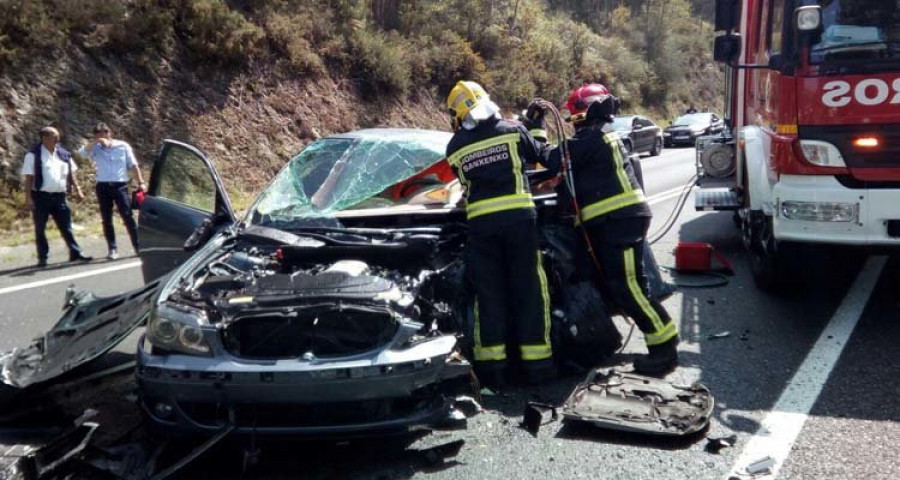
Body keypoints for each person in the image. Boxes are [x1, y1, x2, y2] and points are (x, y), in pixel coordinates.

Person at [530, 84, 679, 374]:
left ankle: (664, 349)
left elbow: (551, 159)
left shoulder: (591, 140)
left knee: (630, 287)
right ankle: (655, 341)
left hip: (617, 224)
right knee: (622, 285)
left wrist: (534, 128)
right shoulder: (600, 137)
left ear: (581, 115)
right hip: (618, 223)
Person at [444, 80, 554, 387]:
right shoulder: (512, 130)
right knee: (529, 290)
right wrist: (535, 125)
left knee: (488, 295)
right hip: (520, 223)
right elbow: (540, 156)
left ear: (457, 113)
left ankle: (493, 370)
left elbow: (465, 182)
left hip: (482, 229)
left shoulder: (454, 148)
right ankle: (539, 366)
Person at [22, 126, 92, 267]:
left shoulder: (63, 154)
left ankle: (75, 253)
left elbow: (71, 173)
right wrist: (28, 198)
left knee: (66, 226)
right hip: (41, 197)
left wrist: (78, 189)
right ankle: (43, 257)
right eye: (54, 136)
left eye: (57, 136)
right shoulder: (33, 155)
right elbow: (29, 177)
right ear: (44, 138)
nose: (57, 139)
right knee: (40, 228)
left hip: (59, 196)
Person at [79, 122, 146, 260]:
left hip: (120, 185)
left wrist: (141, 182)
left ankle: (138, 246)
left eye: (104, 133)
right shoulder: (95, 148)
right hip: (103, 186)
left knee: (127, 216)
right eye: (97, 134)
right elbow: (81, 154)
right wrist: (96, 142)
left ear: (110, 133)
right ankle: (112, 249)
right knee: (106, 218)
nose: (102, 136)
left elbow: (133, 165)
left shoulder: (123, 146)